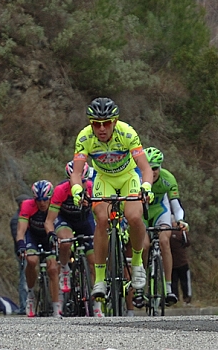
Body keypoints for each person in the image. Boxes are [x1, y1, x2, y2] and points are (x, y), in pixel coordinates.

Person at [68, 97, 153, 305]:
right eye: (96, 124)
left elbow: (145, 168)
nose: (101, 128)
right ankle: (99, 279)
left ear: (115, 122)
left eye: (106, 123)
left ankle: (137, 263)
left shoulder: (127, 133)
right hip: (103, 178)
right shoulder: (85, 137)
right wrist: (77, 189)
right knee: (102, 219)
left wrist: (146, 186)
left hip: (128, 177)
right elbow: (76, 172)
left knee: (134, 217)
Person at [141, 147, 188, 306]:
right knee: (145, 246)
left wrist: (180, 220)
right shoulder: (137, 178)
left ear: (160, 167)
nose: (152, 172)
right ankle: (141, 285)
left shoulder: (168, 179)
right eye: (149, 168)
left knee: (164, 241)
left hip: (161, 211)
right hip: (143, 214)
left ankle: (168, 288)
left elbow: (176, 205)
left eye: (155, 168)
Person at [44, 161, 95, 297]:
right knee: (65, 242)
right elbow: (49, 221)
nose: (80, 185)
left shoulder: (92, 188)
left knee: (94, 263)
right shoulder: (61, 190)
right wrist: (51, 234)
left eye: (84, 181)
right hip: (66, 220)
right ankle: (65, 268)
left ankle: (96, 303)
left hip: (85, 221)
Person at [16, 180, 60, 317]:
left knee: (53, 269)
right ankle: (30, 294)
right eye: (38, 200)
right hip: (33, 236)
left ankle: (56, 306)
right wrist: (20, 243)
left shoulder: (55, 204)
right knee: (31, 261)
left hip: (49, 236)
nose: (41, 203)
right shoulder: (27, 205)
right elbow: (21, 229)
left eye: (45, 199)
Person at [10, 194, 30, 315]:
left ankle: (27, 305)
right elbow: (16, 236)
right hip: (23, 251)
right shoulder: (16, 219)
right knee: (24, 279)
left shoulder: (27, 216)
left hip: (30, 249)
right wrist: (20, 250)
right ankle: (24, 306)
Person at [169, 225, 192, 305]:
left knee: (177, 282)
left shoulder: (167, 233)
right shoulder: (180, 232)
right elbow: (187, 243)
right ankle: (185, 299)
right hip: (178, 262)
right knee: (181, 282)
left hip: (177, 262)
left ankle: (179, 299)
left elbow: (187, 243)